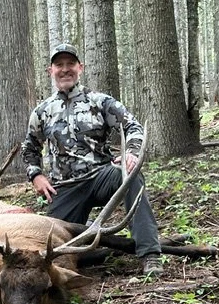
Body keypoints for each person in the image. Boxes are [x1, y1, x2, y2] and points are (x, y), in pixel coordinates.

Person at [21, 43, 163, 276]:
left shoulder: (100, 102)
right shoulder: (42, 111)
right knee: (56, 249)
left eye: (70, 64)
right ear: (51, 71)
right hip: (65, 188)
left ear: (80, 68)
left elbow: (132, 126)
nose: (65, 69)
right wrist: (36, 175)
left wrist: (131, 153)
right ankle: (98, 238)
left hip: (100, 176)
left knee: (129, 177)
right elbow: (30, 148)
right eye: (59, 65)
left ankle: (150, 254)